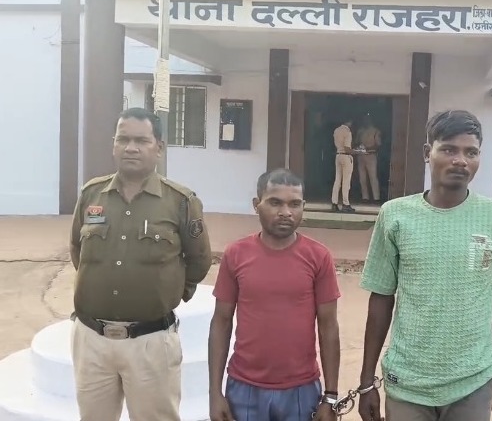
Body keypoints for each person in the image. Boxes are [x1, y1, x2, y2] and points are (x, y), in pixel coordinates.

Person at [356, 109, 492, 421]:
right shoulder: (395, 215)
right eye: (449, 149)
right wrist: (367, 380)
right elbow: (381, 297)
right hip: (407, 382)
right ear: (428, 152)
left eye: (471, 152)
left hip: (473, 382)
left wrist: (491, 369)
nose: (461, 161)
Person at [69, 107, 212, 421]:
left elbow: (199, 260)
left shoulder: (181, 202)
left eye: (141, 141)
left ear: (158, 148)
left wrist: (170, 292)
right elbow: (78, 249)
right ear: (113, 145)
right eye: (123, 139)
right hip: (92, 341)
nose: (130, 148)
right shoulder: (91, 194)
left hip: (150, 343)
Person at [208, 168, 341, 421]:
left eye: (294, 204)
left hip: (302, 390)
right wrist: (215, 393)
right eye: (275, 203)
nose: (286, 212)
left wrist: (330, 397)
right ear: (256, 205)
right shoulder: (236, 254)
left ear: (303, 207)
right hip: (244, 388)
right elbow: (221, 321)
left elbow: (328, 326)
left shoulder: (319, 257)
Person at [355, 114, 382, 204]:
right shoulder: (360, 131)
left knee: (373, 177)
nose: (365, 121)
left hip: (371, 156)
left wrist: (368, 148)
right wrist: (360, 148)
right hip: (361, 156)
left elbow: (378, 145)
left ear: (371, 120)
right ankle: (365, 197)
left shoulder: (375, 131)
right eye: (364, 119)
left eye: (367, 119)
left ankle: (376, 197)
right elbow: (356, 142)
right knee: (362, 178)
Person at [331, 118, 356, 213]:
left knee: (337, 180)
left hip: (338, 155)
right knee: (346, 181)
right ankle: (346, 203)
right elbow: (347, 148)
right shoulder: (347, 132)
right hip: (346, 156)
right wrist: (357, 152)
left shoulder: (336, 130)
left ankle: (334, 202)